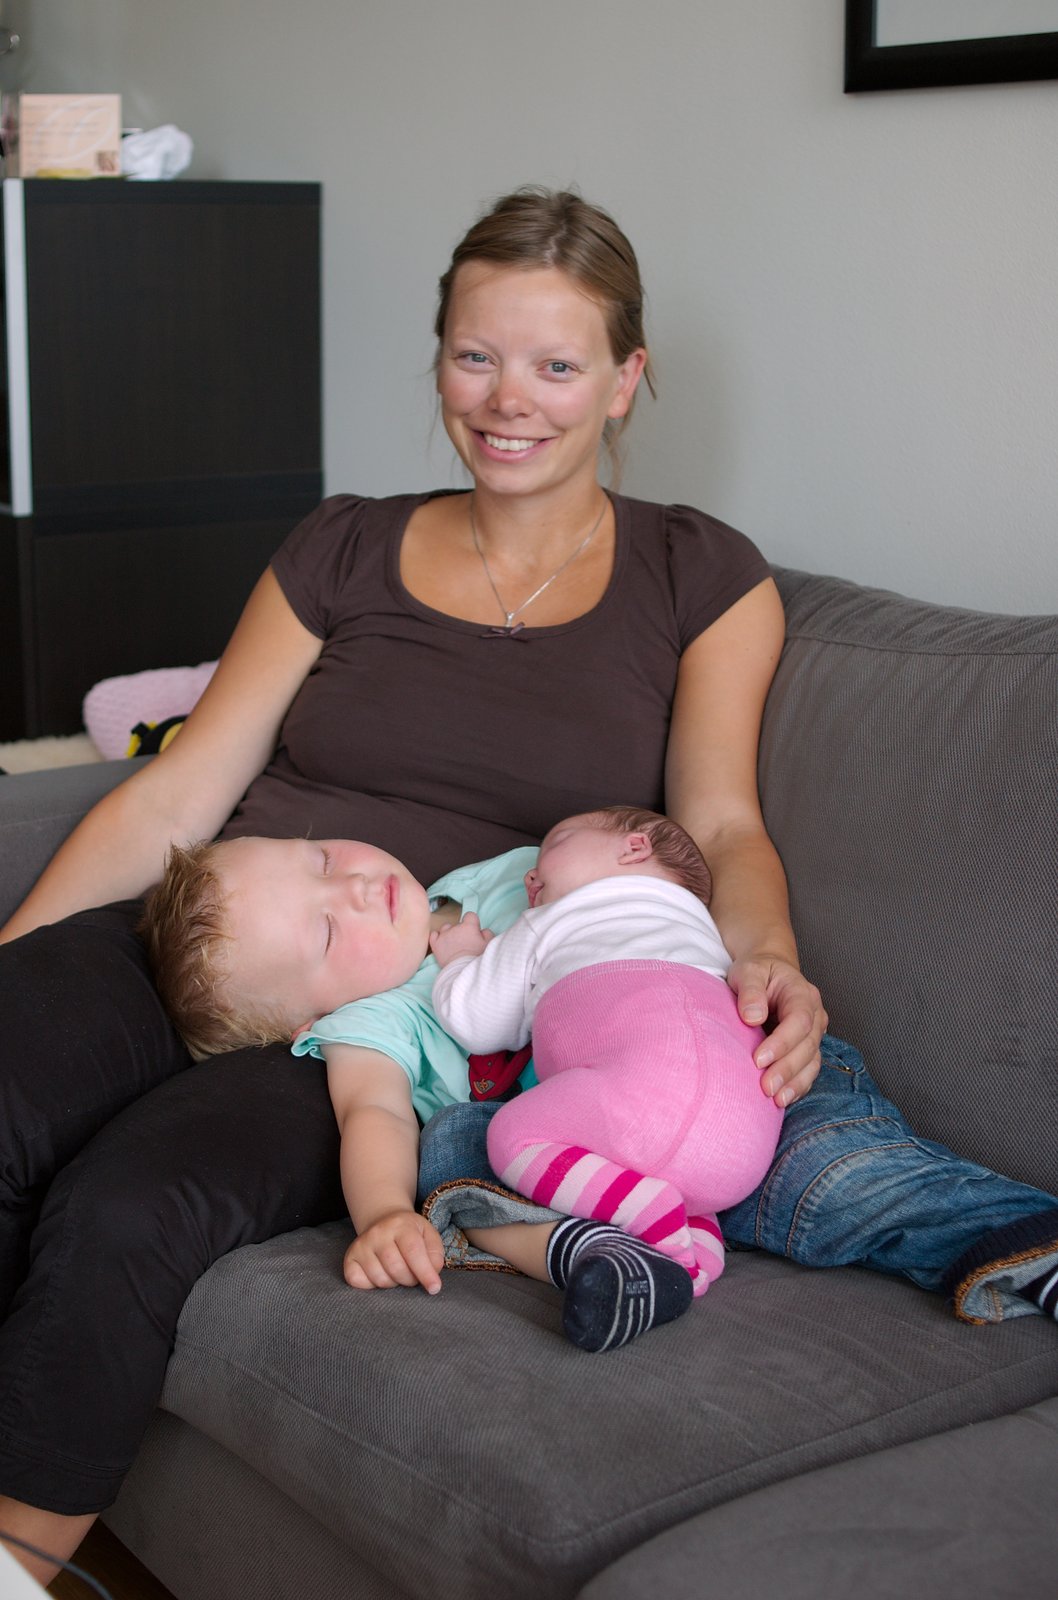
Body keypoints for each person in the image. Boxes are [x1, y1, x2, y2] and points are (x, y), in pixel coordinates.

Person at [0, 185, 1054, 1585]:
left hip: (390, 1004)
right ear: (438, 358)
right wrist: (25, 963)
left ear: (624, 379)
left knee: (128, 1209)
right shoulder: (341, 544)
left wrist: (766, 958)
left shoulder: (700, 576)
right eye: (475, 356)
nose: (508, 400)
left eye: (557, 364)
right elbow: (180, 792)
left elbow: (720, 822)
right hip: (228, 909)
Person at [142, 814, 749, 1351]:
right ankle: (598, 1255)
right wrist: (383, 1213)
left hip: (669, 1068)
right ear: (315, 1017)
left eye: (321, 859)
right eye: (327, 931)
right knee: (450, 1158)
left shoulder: (500, 881)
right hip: (558, 1158)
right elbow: (373, 1113)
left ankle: (711, 1209)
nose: (353, 887)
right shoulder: (371, 1020)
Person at [430, 806, 782, 1296]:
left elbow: (477, 1021)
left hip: (645, 1099)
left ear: (634, 847)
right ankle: (693, 1260)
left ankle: (648, 1216)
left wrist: (462, 958)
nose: (531, 875)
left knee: (513, 1135)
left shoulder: (555, 916)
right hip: (743, 1148)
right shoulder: (703, 928)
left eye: (554, 845)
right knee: (684, 1184)